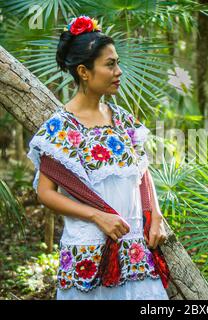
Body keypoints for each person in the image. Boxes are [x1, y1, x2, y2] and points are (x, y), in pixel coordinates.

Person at [26, 16, 169, 300]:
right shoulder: (60, 128)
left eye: (117, 62)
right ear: (84, 71)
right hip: (88, 251)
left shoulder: (124, 120)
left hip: (135, 249)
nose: (119, 71)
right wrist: (97, 215)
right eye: (110, 64)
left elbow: (143, 173)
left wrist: (156, 217)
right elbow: (45, 193)